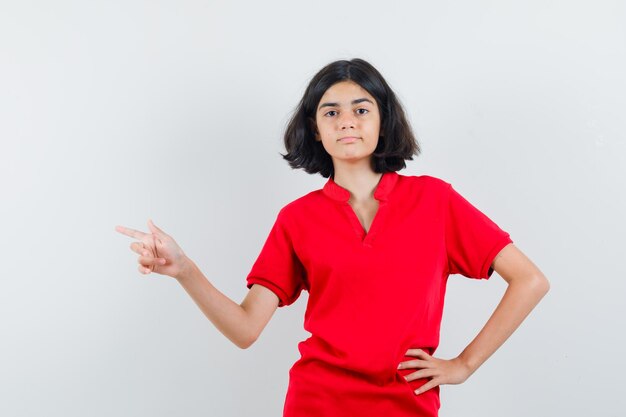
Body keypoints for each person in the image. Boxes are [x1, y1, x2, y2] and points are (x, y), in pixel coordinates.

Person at [116, 58, 550, 416]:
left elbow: (530, 280)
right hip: (316, 403)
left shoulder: (435, 201)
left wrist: (464, 365)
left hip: (407, 405)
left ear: (384, 119)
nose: (347, 122)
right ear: (316, 128)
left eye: (361, 109)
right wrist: (184, 270)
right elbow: (246, 329)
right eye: (331, 112)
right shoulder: (297, 219)